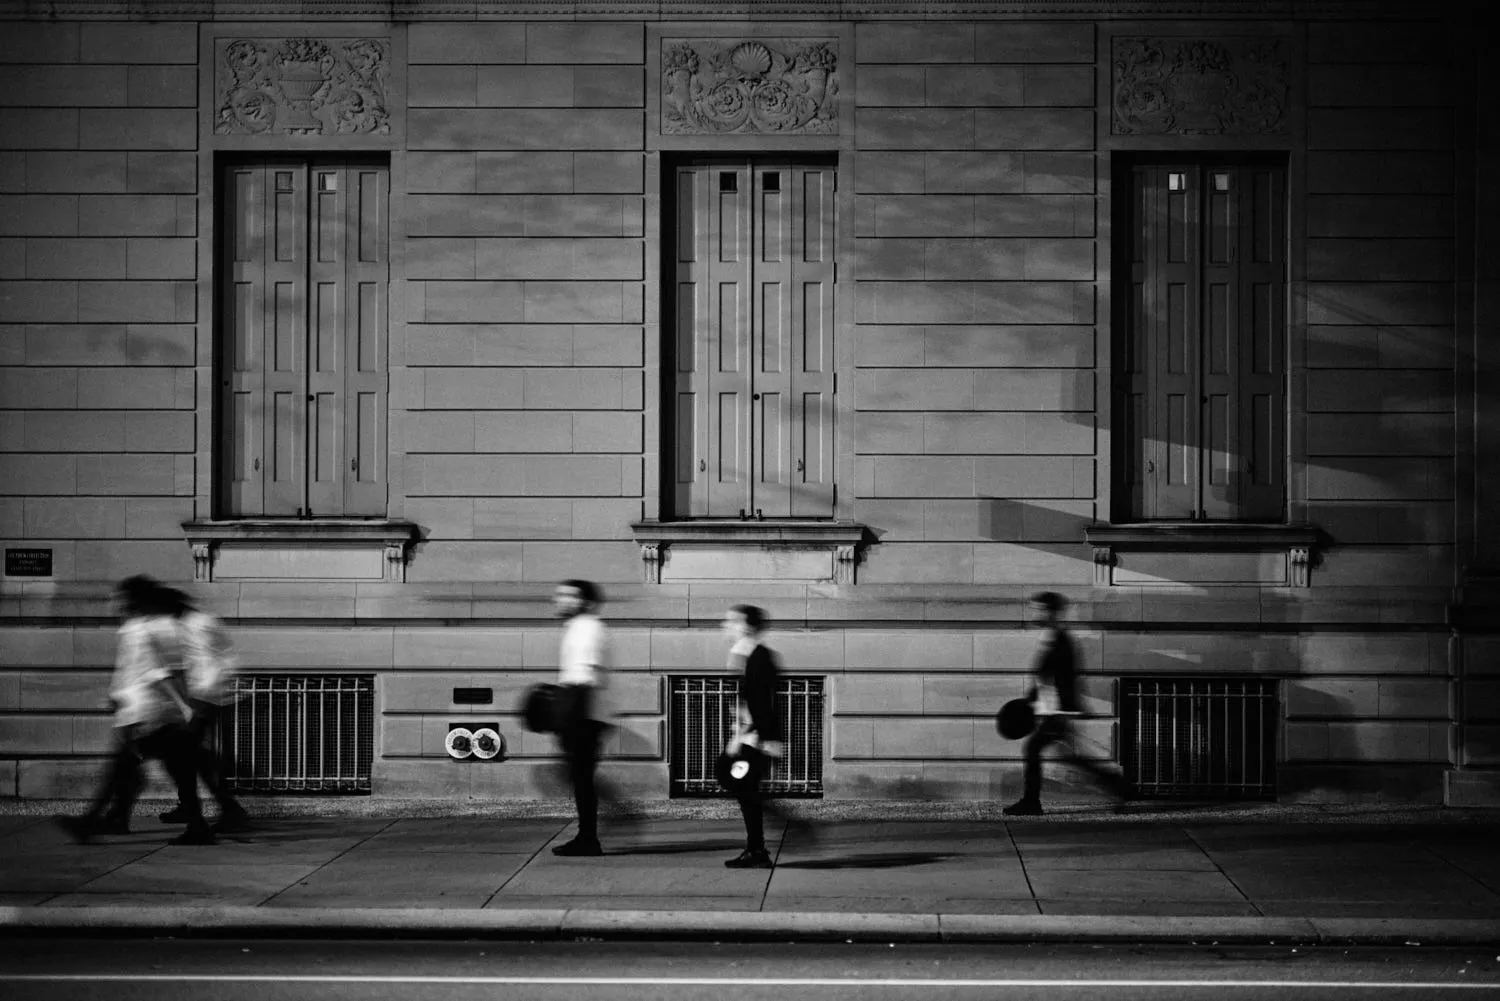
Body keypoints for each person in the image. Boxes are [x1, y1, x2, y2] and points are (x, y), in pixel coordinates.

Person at [58, 576, 214, 845]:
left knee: (124, 769)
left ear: (131, 601)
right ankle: (193, 824)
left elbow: (154, 672)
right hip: (155, 712)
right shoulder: (157, 627)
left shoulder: (136, 631)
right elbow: (168, 669)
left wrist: (180, 705)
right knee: (176, 768)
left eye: (118, 598)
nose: (113, 602)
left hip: (143, 713)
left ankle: (93, 821)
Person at [1003, 591, 1128, 817]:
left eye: (1039, 608)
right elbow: (1047, 678)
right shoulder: (1052, 637)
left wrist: (1063, 709)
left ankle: (1031, 802)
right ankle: (1116, 784)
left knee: (1033, 749)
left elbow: (1067, 678)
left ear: (1051, 612)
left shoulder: (1061, 640)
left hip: (1057, 711)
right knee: (1069, 756)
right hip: (1054, 710)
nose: (1034, 612)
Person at [156, 587, 251, 834]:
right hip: (212, 693)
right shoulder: (203, 620)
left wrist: (190, 701)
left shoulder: (192, 625)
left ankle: (219, 810)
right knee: (191, 755)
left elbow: (198, 661)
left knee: (186, 755)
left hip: (205, 695)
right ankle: (212, 807)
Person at [722, 604, 792, 869]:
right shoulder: (743, 653)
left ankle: (760, 846)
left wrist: (755, 736)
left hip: (755, 740)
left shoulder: (758, 656)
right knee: (740, 785)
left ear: (747, 626)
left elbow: (761, 702)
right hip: (750, 738)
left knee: (737, 782)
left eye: (732, 621)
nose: (726, 625)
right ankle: (757, 848)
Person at [550, 579, 615, 857]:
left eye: (568, 596)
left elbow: (585, 677)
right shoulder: (580, 628)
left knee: (582, 777)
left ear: (585, 602)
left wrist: (568, 720)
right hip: (585, 712)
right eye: (560, 595)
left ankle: (588, 838)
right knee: (581, 777)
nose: (560, 600)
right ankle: (587, 836)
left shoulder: (587, 629)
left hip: (584, 714)